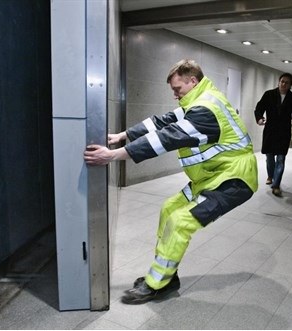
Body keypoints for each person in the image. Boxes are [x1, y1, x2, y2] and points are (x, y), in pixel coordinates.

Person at [84, 59, 258, 304]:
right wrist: (121, 136)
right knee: (169, 209)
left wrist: (113, 155)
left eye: (178, 89)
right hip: (211, 176)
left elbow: (166, 138)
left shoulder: (206, 109)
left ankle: (156, 284)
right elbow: (162, 122)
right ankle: (168, 276)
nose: (175, 95)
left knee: (180, 221)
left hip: (233, 180)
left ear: (192, 81)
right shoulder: (198, 99)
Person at [254, 73, 292, 197]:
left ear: (290, 85)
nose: (283, 84)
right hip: (270, 131)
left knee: (281, 159)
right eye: (282, 81)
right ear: (278, 82)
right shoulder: (269, 94)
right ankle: (271, 175)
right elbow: (259, 108)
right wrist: (259, 118)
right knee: (269, 157)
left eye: (287, 82)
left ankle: (276, 185)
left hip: (283, 132)